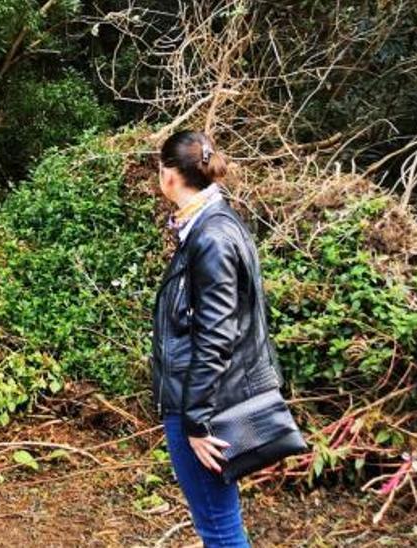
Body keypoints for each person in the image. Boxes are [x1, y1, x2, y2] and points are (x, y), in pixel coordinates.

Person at [150, 131, 281, 547]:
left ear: (170, 176)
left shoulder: (211, 237)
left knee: (220, 529)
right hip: (200, 398)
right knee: (218, 524)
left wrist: (196, 422)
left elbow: (216, 335)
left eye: (160, 168)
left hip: (201, 405)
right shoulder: (208, 224)